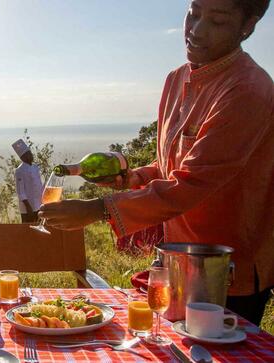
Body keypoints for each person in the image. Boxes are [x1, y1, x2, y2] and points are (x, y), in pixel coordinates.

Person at [40, 0, 273, 325]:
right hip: (177, 259)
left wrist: (99, 209)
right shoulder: (176, 80)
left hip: (228, 271)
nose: (197, 30)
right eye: (193, 13)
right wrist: (135, 177)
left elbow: (193, 182)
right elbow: (173, 163)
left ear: (248, 26)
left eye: (217, 21)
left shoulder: (248, 91)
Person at [12, 139, 44, 223]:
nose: (31, 155)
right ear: (23, 157)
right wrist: (28, 207)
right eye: (28, 154)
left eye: (30, 153)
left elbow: (39, 185)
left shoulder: (35, 167)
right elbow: (21, 192)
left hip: (39, 204)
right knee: (28, 229)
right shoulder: (20, 170)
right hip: (28, 208)